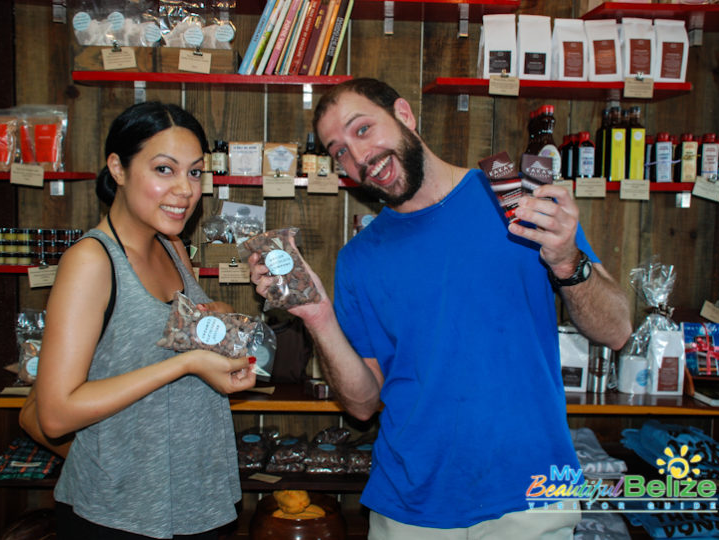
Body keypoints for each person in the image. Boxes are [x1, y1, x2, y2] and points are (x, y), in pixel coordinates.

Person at [248, 78, 632, 539]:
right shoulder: (359, 258)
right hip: (409, 503)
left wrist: (569, 261)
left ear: (405, 115)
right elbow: (363, 404)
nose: (358, 158)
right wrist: (318, 318)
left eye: (363, 129)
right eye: (339, 152)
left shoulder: (517, 200)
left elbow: (616, 330)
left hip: (529, 496)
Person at [28, 101, 256, 540]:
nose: (186, 190)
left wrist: (222, 318)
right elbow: (55, 414)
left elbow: (171, 333)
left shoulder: (171, 247)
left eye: (194, 172)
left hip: (198, 500)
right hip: (122, 513)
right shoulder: (92, 262)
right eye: (164, 170)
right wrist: (185, 364)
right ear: (118, 168)